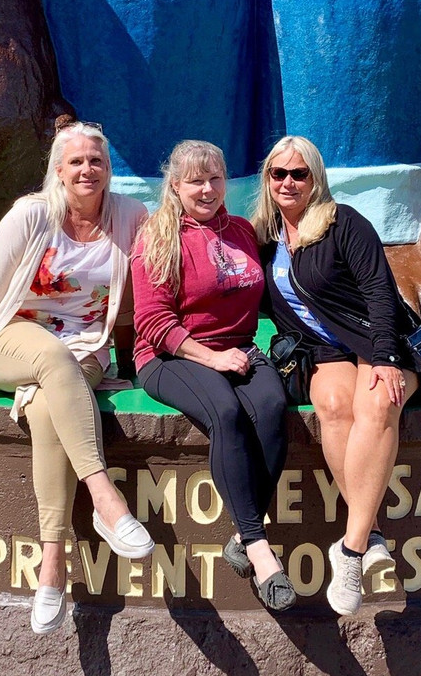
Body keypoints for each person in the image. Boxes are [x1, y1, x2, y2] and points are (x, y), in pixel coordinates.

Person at [0, 120, 154, 635]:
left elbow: (139, 294)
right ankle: (105, 498)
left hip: (86, 350)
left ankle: (52, 567)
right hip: (9, 339)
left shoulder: (131, 216)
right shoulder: (31, 215)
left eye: (96, 160)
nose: (87, 169)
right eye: (76, 161)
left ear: (108, 170)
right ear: (58, 170)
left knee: (48, 407)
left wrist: (134, 362)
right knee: (50, 354)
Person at [250, 135, 420, 616]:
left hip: (378, 341)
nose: (288, 182)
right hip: (322, 352)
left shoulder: (343, 222)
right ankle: (374, 536)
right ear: (267, 179)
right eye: (278, 173)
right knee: (332, 404)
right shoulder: (264, 238)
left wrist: (384, 356)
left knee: (379, 401)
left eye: (299, 173)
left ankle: (350, 549)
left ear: (316, 179)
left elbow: (380, 292)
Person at [131, 140, 296, 612]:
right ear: (175, 186)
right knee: (226, 412)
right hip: (168, 356)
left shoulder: (241, 230)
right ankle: (259, 548)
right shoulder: (157, 236)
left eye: (215, 178)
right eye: (195, 181)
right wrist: (212, 358)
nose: (207, 189)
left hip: (239, 349)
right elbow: (153, 322)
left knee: (272, 407)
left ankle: (241, 539)